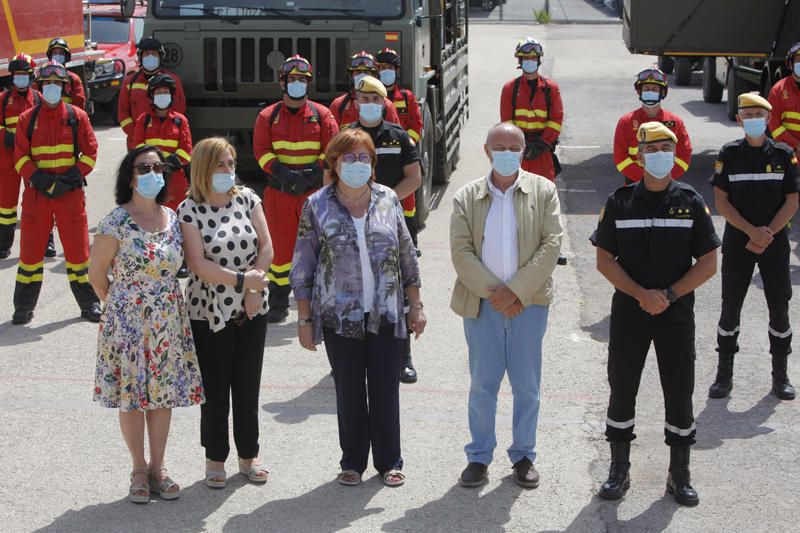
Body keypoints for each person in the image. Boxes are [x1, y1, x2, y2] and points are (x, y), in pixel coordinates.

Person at [590, 122, 720, 506]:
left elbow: (709, 261)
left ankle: (679, 475)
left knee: (679, 392)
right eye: (654, 147)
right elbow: (603, 259)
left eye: (668, 146)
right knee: (623, 388)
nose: (662, 153)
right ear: (640, 153)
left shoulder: (692, 201)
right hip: (631, 312)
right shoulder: (619, 201)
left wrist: (669, 294)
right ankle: (619, 470)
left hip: (675, 313)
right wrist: (641, 294)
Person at [290, 128, 425, 487]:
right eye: (348, 157)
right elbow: (303, 265)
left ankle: (389, 462)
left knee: (385, 388)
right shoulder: (317, 204)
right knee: (349, 390)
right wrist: (304, 318)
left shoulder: (387, 199)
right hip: (340, 315)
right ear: (333, 163)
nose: (357, 164)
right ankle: (352, 461)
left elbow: (406, 257)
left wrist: (417, 306)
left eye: (364, 157)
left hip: (386, 312)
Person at [89, 145, 205, 504]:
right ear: (130, 175)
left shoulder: (172, 218)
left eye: (158, 167)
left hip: (168, 319)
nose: (153, 172)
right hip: (127, 321)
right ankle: (139, 468)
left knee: (162, 395)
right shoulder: (115, 221)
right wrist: (124, 309)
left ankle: (159, 467)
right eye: (144, 167)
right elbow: (96, 276)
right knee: (132, 397)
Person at [450, 122, 562, 489]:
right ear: (486, 151)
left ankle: (524, 455)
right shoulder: (467, 196)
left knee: (527, 385)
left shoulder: (543, 191)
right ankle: (479, 456)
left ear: (523, 150)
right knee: (483, 385)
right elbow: (461, 251)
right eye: (499, 147)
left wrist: (516, 291)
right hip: (482, 305)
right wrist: (494, 293)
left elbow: (551, 246)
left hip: (528, 304)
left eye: (514, 147)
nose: (506, 153)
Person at [177, 137, 273, 489]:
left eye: (231, 164)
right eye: (221, 164)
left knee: (248, 386)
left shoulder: (248, 199)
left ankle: (250, 455)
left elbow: (266, 246)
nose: (228, 171)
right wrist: (240, 281)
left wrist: (251, 288)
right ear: (204, 168)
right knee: (215, 390)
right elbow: (198, 264)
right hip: (208, 311)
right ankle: (215, 457)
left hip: (252, 306)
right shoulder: (188, 209)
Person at [709, 93, 799, 401]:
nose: (753, 120)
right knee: (730, 306)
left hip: (774, 243)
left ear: (769, 119)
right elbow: (721, 201)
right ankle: (724, 375)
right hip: (739, 241)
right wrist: (751, 232)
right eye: (747, 115)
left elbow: (792, 200)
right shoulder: (729, 154)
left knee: (780, 307)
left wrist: (768, 233)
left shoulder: (785, 154)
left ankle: (780, 376)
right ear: (739, 119)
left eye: (759, 115)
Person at [333, 76, 422, 383]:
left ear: (384, 103)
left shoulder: (398, 136)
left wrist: (383, 202)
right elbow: (328, 177)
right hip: (350, 222)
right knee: (351, 287)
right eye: (363, 99)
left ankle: (403, 357)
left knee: (395, 291)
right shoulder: (345, 137)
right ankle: (347, 354)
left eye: (374, 100)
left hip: (388, 223)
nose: (368, 105)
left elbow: (414, 177)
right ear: (355, 102)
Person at [12, 61, 101, 324]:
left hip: (69, 195)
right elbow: (20, 157)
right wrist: (41, 180)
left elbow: (91, 153)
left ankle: (90, 304)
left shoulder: (77, 117)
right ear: (40, 88)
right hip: (37, 195)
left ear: (63, 88)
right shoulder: (27, 119)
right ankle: (23, 307)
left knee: (78, 254)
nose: (52, 88)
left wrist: (72, 176)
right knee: (30, 254)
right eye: (47, 84)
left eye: (57, 84)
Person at [252, 55, 339, 323]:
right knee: (279, 246)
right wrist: (282, 172)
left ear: (309, 83)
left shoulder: (322, 115)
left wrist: (314, 171)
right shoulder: (268, 116)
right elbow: (261, 151)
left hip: (312, 193)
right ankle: (278, 300)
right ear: (282, 83)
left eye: (302, 80)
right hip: (279, 192)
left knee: (316, 245)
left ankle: (318, 299)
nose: (297, 84)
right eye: (292, 79)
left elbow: (333, 148)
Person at [375, 47, 424, 254]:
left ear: (396, 70)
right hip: (380, 155)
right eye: (382, 68)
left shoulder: (406, 96)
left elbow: (416, 126)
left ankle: (411, 242)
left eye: (390, 68)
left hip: (402, 154)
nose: (386, 71)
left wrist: (407, 144)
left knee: (408, 200)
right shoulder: (372, 98)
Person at [500, 38, 563, 182]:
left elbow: (556, 120)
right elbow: (507, 123)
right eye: (526, 58)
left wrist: (542, 144)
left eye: (533, 58)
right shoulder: (510, 89)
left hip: (543, 153)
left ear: (539, 60)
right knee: (516, 196)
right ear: (520, 61)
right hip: (518, 154)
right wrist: (520, 145)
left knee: (544, 197)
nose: (530, 61)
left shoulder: (551, 89)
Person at [613, 68, 692, 183]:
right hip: (634, 186)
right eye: (646, 89)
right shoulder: (626, 122)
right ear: (639, 92)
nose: (650, 92)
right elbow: (620, 158)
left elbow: (684, 157)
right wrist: (646, 180)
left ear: (663, 92)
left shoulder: (676, 122)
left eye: (654, 89)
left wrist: (663, 179)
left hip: (667, 184)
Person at [132, 74, 192, 213]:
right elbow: (138, 146)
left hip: (175, 178)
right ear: (152, 96)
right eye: (159, 92)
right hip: (149, 175)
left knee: (177, 217)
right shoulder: (144, 120)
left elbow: (186, 150)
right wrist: (153, 166)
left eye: (166, 92)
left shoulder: (180, 121)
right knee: (149, 214)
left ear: (171, 95)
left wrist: (167, 165)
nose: (162, 95)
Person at [0, 53, 41, 259]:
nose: (20, 78)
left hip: (33, 158)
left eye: (24, 74)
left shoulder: (39, 99)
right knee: (6, 205)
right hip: (7, 159)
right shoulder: (3, 99)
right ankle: (4, 244)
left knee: (36, 201)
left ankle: (45, 241)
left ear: (31, 75)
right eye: (17, 74)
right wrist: (5, 134)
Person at [119, 37, 187, 150]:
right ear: (140, 57)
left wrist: (163, 134)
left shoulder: (173, 81)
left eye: (154, 54)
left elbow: (179, 110)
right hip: (136, 143)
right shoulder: (129, 82)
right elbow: (123, 113)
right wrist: (136, 134)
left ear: (161, 57)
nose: (150, 57)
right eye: (146, 54)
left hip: (166, 143)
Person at [330, 51, 401, 127]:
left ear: (374, 76)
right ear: (351, 76)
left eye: (366, 72)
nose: (362, 75)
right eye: (358, 72)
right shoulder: (338, 105)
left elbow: (395, 135)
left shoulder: (387, 106)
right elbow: (333, 136)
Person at [768, 42, 800, 157]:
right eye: (798, 60)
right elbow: (774, 125)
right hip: (788, 155)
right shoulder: (778, 90)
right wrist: (796, 145)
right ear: (790, 64)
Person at [43, 38, 86, 109]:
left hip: (67, 118)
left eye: (61, 53)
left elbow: (79, 104)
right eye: (55, 53)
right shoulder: (42, 78)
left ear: (66, 56)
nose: (58, 55)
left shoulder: (73, 78)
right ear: (50, 56)